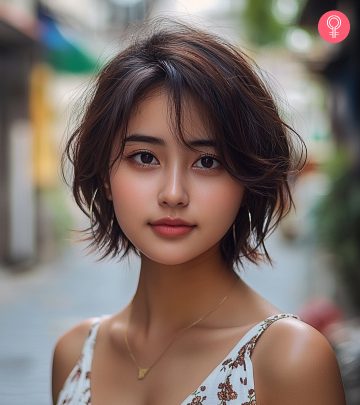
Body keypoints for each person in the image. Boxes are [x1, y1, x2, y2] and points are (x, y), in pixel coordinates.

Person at [52, 18, 346, 405]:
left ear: (246, 177)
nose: (173, 194)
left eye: (207, 162)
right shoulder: (73, 355)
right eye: (144, 157)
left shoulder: (288, 360)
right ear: (105, 176)